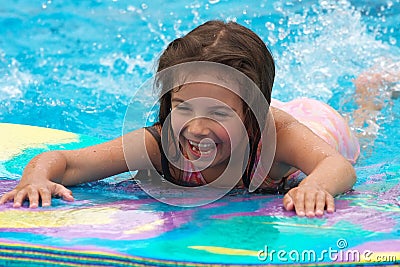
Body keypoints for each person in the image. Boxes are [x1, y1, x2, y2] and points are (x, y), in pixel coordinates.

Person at [0, 20, 359, 217]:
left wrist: (316, 186)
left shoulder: (278, 133)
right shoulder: (158, 144)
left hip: (319, 122)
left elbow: (338, 166)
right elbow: (65, 162)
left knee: (362, 126)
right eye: (183, 107)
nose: (195, 128)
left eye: (217, 113)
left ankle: (369, 95)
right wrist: (36, 179)